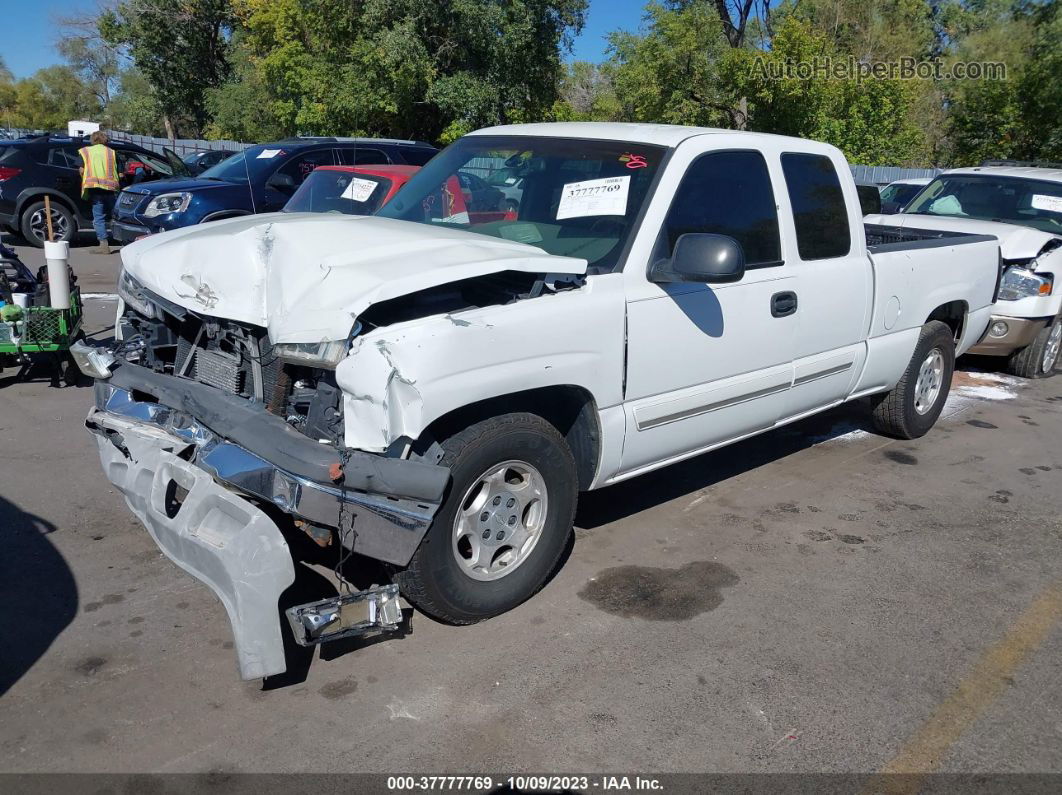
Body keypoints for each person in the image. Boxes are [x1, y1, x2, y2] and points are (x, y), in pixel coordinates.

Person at [78, 130, 120, 255]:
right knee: (117, 217)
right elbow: (120, 172)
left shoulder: (85, 152)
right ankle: (126, 240)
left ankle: (104, 245)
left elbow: (81, 170)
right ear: (105, 139)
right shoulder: (111, 152)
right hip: (111, 190)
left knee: (98, 218)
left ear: (93, 139)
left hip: (95, 188)